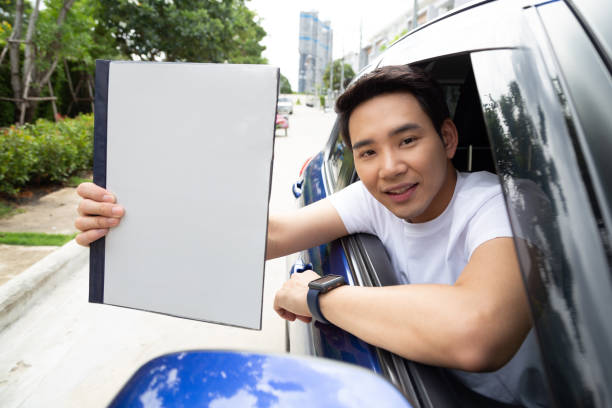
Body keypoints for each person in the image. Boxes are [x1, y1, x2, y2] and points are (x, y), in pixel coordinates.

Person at [76, 65, 543, 406]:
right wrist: (128, 214)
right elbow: (272, 233)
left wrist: (317, 296)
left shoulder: (505, 203)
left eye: (407, 141)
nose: (390, 167)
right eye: (367, 152)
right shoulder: (376, 197)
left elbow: (478, 333)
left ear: (446, 139)